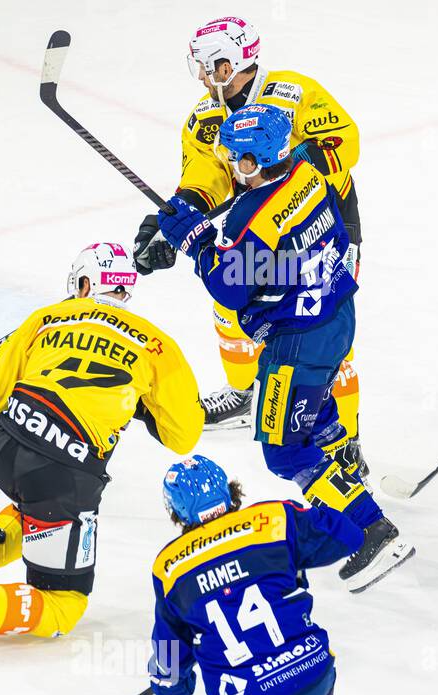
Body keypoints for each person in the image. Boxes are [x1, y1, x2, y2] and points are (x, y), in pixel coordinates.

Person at [0, 243, 204, 662]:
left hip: (3, 443)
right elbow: (184, 437)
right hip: (64, 471)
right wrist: (144, 406)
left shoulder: (46, 318)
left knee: (39, 510)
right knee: (63, 605)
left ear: (86, 283)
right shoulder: (158, 346)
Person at [156, 104, 412, 593]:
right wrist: (214, 233)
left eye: (239, 160)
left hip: (297, 342)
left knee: (284, 450)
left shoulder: (257, 216)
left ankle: (372, 531)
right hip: (336, 319)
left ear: (256, 160)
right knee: (318, 423)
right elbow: (270, 243)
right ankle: (358, 507)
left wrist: (197, 243)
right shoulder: (307, 171)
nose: (233, 167)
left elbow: (231, 286)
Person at [133, 15, 366, 481]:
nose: (200, 77)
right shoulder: (204, 119)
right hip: (257, 226)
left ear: (228, 64)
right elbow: (204, 181)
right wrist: (172, 220)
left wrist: (280, 168)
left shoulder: (293, 93)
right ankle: (245, 393)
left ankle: (346, 435)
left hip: (321, 223)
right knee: (234, 310)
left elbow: (345, 140)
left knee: (321, 323)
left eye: (206, 67)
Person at [149, 454, 386, 695]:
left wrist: (170, 685)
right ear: (229, 492)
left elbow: (169, 656)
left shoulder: (170, 567)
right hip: (311, 671)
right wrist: (292, 546)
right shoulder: (274, 519)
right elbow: (348, 536)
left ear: (177, 512)